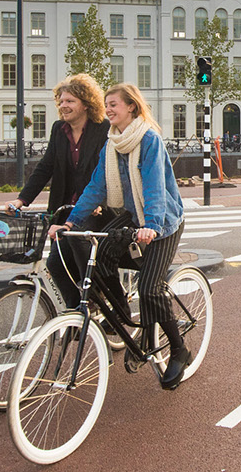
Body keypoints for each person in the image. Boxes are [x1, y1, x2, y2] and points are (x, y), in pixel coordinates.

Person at [47, 83, 190, 390]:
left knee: (150, 289)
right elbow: (96, 187)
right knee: (97, 252)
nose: (108, 109)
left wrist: (151, 225)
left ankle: (179, 349)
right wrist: (70, 224)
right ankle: (122, 313)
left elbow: (154, 187)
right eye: (107, 105)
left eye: (114, 105)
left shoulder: (149, 139)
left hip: (162, 220)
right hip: (133, 216)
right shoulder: (112, 144)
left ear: (132, 108)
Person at [6, 74, 112, 303]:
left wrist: (97, 204)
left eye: (70, 101)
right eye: (61, 101)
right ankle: (76, 313)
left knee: (82, 250)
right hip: (64, 209)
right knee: (55, 265)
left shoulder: (102, 128)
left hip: (94, 207)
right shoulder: (59, 129)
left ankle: (104, 299)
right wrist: (21, 200)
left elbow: (110, 171)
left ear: (86, 104)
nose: (63, 106)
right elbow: (46, 167)